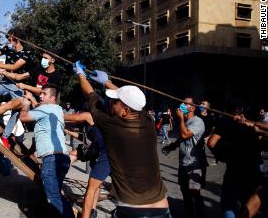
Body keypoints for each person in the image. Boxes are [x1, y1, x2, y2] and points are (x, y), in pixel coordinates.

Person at [73, 62, 169, 218]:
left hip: (132, 210)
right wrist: (106, 82)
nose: (110, 103)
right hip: (161, 207)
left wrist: (80, 75)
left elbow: (91, 95)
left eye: (115, 102)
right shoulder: (148, 121)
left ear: (125, 111)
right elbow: (132, 101)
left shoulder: (112, 125)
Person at [19, 84, 74, 217]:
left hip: (52, 159)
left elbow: (23, 117)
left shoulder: (47, 109)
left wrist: (26, 103)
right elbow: (39, 108)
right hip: (61, 158)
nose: (41, 96)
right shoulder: (57, 109)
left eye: (44, 94)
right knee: (55, 194)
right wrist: (32, 98)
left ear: (53, 98)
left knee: (54, 198)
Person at [0, 52, 61, 138]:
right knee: (12, 105)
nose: (43, 60)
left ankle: (5, 135)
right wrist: (4, 72)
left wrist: (25, 86)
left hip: (42, 106)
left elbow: (42, 91)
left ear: (52, 60)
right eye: (42, 57)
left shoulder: (56, 76)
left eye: (45, 58)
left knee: (40, 134)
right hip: (29, 100)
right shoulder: (38, 69)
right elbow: (19, 77)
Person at [207, 106, 265, 218]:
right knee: (247, 204)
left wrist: (222, 155)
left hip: (235, 171)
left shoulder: (229, 125)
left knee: (228, 205)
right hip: (253, 170)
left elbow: (211, 143)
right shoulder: (256, 129)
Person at [64, 112, 110, 218]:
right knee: (95, 183)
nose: (78, 113)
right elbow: (82, 137)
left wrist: (51, 112)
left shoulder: (89, 116)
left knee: (94, 184)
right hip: (93, 150)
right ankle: (92, 210)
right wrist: (69, 131)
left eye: (80, 111)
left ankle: (91, 211)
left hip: (99, 152)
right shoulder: (86, 125)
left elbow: (75, 117)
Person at [176, 98, 206, 218]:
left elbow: (185, 134)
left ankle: (200, 215)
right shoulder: (185, 121)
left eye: (185, 103)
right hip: (183, 163)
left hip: (194, 164)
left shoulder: (198, 122)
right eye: (182, 102)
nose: (182, 105)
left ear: (193, 108)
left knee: (195, 192)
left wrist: (181, 118)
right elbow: (182, 139)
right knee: (185, 193)